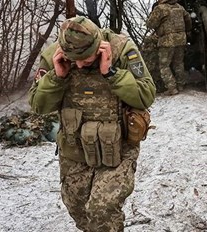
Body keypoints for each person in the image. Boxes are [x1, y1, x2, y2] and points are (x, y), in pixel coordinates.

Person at [28, 16, 156, 231]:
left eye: (86, 60)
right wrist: (57, 78)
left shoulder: (122, 49)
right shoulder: (53, 55)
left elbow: (146, 96)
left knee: (102, 209)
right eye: (73, 60)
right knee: (76, 207)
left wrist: (111, 73)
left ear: (99, 46)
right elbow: (38, 105)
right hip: (74, 147)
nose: (79, 65)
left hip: (118, 147)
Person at [146, 0, 192, 95]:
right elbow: (188, 19)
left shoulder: (160, 8)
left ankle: (172, 88)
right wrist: (186, 31)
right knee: (179, 63)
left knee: (164, 65)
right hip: (181, 39)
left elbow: (150, 24)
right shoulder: (179, 7)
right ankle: (181, 85)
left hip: (167, 40)